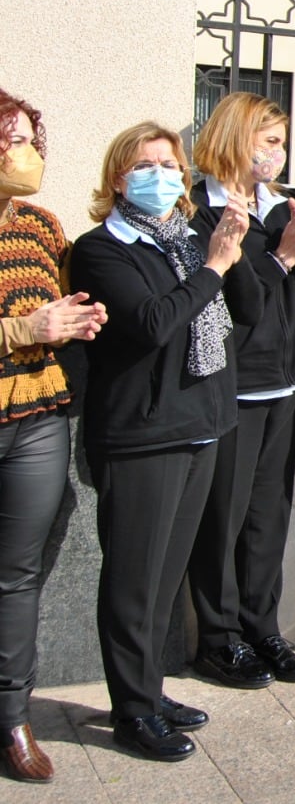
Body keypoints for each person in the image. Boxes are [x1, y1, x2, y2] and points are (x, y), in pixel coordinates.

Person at [72, 121, 262, 761]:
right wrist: (211, 267)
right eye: (146, 164)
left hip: (202, 426)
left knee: (165, 576)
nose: (163, 174)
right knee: (133, 579)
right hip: (141, 436)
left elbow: (248, 312)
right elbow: (153, 324)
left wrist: (230, 250)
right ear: (117, 177)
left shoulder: (188, 241)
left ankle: (148, 692)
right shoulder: (102, 249)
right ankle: (131, 710)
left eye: (170, 163)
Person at [187, 93, 295, 690]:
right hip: (235, 383)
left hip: (286, 378)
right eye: (268, 140)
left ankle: (262, 626)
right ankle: (218, 639)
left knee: (269, 513)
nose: (279, 152)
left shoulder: (279, 203)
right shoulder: (200, 211)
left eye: (281, 142)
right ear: (235, 139)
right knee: (225, 514)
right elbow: (237, 301)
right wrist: (280, 255)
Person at [0, 92, 106, 783]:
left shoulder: (41, 224)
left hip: (36, 419)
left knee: (19, 575)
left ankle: (12, 717)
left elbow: (63, 298)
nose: (26, 151)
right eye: (12, 137)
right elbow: (27, 323)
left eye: (31, 138)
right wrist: (24, 330)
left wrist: (78, 319)